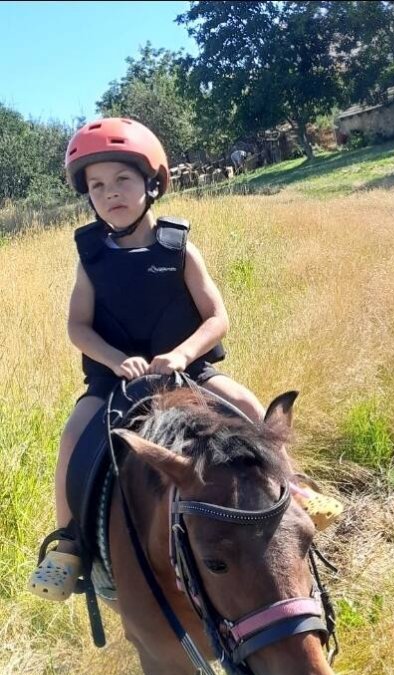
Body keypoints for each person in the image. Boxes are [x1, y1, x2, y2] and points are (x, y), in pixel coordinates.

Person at [29, 118, 341, 601]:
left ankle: (294, 490)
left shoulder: (179, 248)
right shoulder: (91, 258)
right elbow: (78, 327)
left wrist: (181, 354)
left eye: (123, 180)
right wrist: (116, 360)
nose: (110, 193)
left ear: (152, 183)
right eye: (97, 186)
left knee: (245, 402)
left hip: (186, 369)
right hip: (116, 381)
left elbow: (217, 316)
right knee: (74, 433)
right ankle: (68, 541)